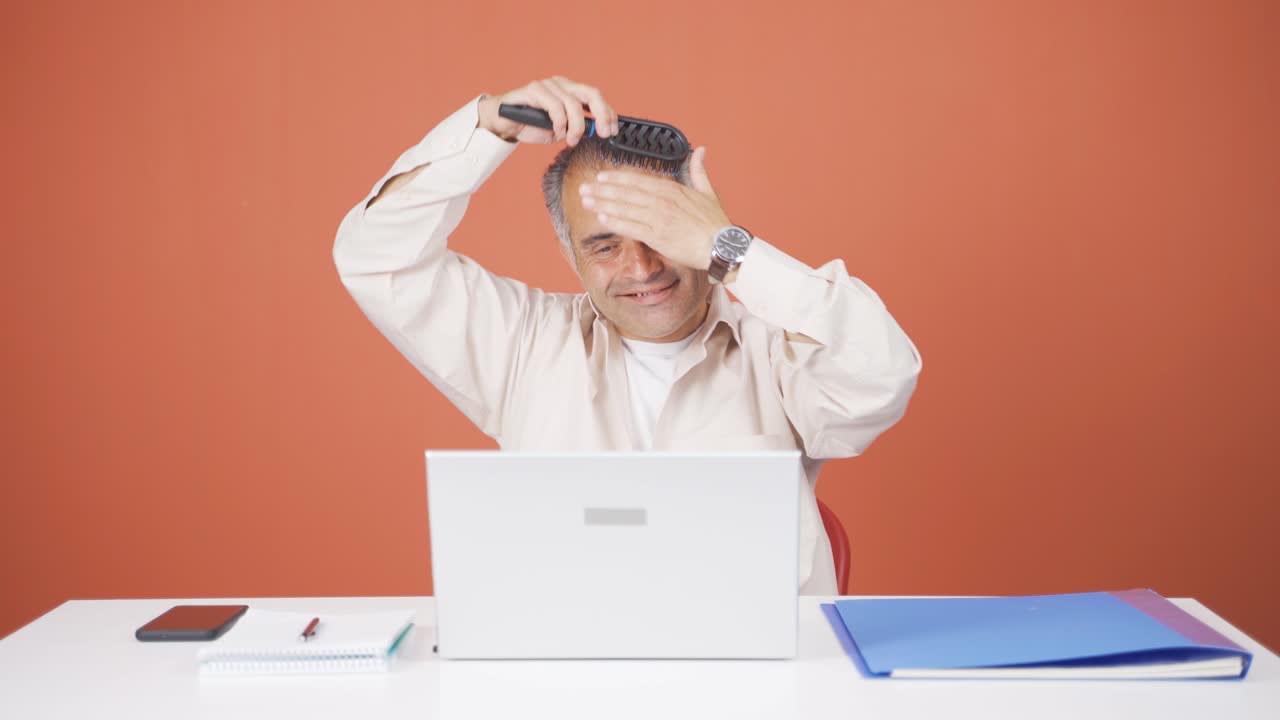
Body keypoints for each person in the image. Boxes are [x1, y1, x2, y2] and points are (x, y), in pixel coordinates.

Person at [333, 75, 922, 594]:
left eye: (661, 233)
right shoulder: (522, 344)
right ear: (572, 257)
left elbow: (880, 377)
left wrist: (730, 249)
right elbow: (376, 257)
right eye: (605, 246)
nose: (642, 269)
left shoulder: (779, 353)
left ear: (702, 226)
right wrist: (490, 127)